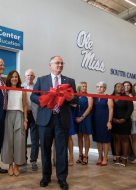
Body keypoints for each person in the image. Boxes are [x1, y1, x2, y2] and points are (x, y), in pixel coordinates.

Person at [31, 56, 78, 190]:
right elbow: (32, 96)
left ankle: (62, 178)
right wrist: (44, 99)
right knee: (45, 149)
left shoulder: (69, 81)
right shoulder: (41, 80)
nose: (60, 65)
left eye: (62, 63)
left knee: (62, 150)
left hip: (61, 119)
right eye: (57, 63)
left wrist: (71, 97)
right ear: (50, 65)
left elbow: (76, 100)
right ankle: (46, 177)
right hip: (45, 119)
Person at [2, 70, 28, 176]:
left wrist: (25, 120)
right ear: (9, 78)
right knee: (8, 141)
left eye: (16, 77)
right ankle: (10, 165)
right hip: (8, 115)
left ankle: (17, 165)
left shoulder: (22, 90)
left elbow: (25, 105)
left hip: (20, 115)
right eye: (12, 77)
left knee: (19, 141)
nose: (14, 78)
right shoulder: (5, 89)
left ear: (18, 78)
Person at [21, 69, 39, 170]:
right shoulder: (21, 87)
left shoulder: (37, 87)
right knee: (23, 138)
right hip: (24, 115)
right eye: (28, 75)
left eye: (31, 75)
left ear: (34, 77)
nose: (29, 77)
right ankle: (23, 159)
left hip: (35, 115)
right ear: (25, 76)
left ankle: (33, 161)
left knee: (35, 139)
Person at [111, 83, 133, 167]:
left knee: (124, 139)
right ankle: (117, 158)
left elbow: (130, 109)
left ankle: (124, 158)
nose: (120, 88)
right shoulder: (110, 97)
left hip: (125, 121)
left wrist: (124, 119)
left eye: (122, 87)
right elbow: (108, 109)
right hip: (114, 121)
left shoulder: (127, 97)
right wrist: (113, 119)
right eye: (118, 86)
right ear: (115, 88)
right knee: (116, 139)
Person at [92, 81, 113, 166]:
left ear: (104, 88)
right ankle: (100, 157)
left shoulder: (108, 97)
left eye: (101, 87)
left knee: (105, 140)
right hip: (96, 120)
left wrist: (109, 121)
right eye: (97, 87)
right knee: (98, 140)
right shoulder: (94, 97)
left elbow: (111, 110)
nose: (99, 88)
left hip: (105, 120)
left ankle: (105, 157)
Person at [75, 81, 93, 165]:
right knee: (79, 136)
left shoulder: (88, 96)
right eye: (83, 86)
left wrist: (82, 117)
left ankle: (86, 155)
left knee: (86, 136)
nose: (84, 88)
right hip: (77, 117)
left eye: (85, 86)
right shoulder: (76, 96)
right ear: (79, 87)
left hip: (85, 117)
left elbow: (90, 107)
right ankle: (80, 155)